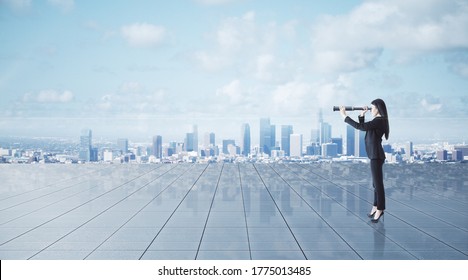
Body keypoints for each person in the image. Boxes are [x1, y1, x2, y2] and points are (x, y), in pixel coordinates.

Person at [340, 99, 389, 223]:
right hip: (374, 155)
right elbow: (367, 128)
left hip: (376, 156)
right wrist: (362, 115)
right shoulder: (378, 121)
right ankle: (375, 206)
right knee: (375, 184)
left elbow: (360, 127)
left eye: (373, 108)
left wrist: (345, 116)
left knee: (378, 185)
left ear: (378, 108)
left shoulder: (379, 120)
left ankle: (380, 209)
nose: (371, 109)